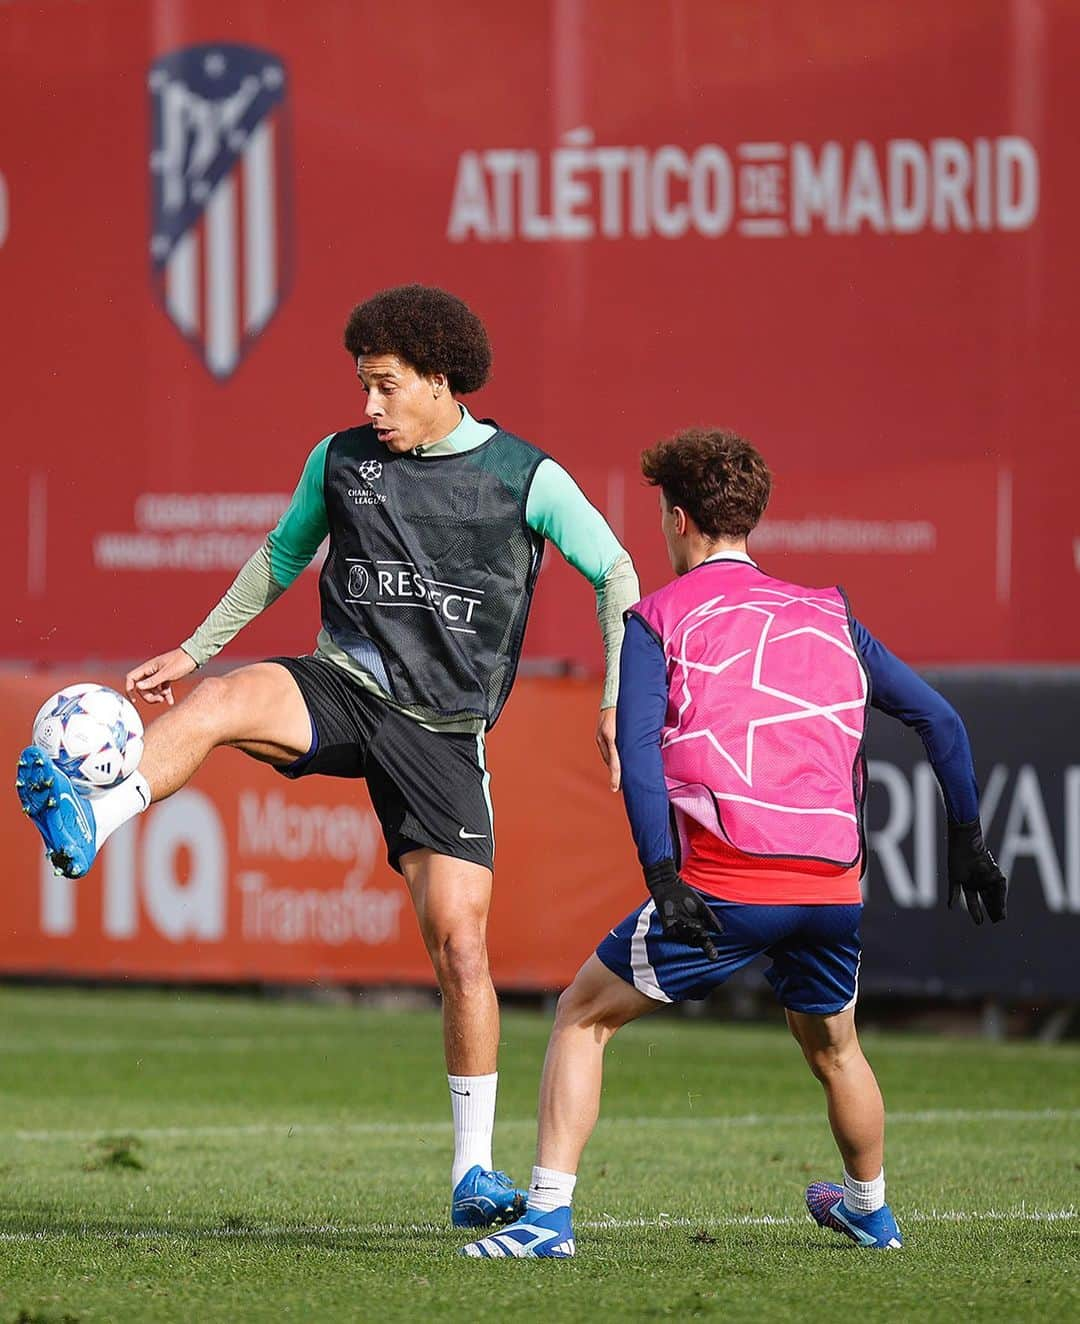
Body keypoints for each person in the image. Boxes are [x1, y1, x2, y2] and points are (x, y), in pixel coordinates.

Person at [16, 284, 639, 1230]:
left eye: (386, 387)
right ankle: (90, 817)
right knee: (221, 701)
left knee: (462, 951)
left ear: (440, 381)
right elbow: (280, 555)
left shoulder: (526, 477)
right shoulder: (342, 461)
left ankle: (475, 1174)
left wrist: (611, 695)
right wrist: (195, 647)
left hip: (444, 733)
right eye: (362, 387)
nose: (370, 407)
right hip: (342, 686)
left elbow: (617, 574)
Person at [461, 428, 1007, 1258]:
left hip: (726, 881)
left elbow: (639, 755)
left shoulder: (657, 618)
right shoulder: (830, 613)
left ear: (678, 520)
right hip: (831, 888)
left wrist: (661, 873)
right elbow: (941, 718)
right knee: (835, 1046)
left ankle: (547, 1218)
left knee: (581, 1017)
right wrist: (967, 836)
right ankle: (870, 1208)